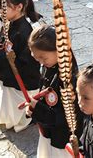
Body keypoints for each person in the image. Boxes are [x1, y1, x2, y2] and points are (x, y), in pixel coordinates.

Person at [0, 0, 41, 132]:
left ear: (19, 7)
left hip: (23, 80)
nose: (1, 12)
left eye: (4, 8)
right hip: (11, 75)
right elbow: (6, 48)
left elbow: (24, 64)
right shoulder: (9, 24)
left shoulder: (25, 31)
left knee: (15, 117)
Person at [26, 25, 82, 158]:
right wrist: (35, 107)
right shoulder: (49, 65)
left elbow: (64, 116)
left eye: (43, 58)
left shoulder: (67, 78)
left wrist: (37, 110)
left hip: (61, 134)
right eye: (36, 58)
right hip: (49, 126)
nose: (40, 62)